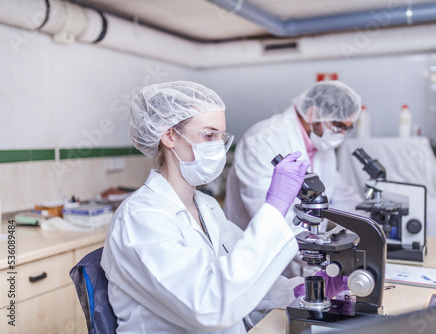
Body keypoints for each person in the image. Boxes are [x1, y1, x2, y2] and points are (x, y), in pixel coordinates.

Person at [101, 81, 310, 333]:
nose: (218, 148)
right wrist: (275, 206)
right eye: (208, 135)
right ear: (169, 136)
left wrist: (301, 290)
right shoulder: (140, 218)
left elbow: (239, 274)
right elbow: (208, 305)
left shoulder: (206, 205)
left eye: (221, 137)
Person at [224, 80, 364, 278]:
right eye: (339, 125)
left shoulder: (322, 145)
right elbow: (269, 215)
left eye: (347, 129)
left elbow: (339, 194)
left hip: (306, 258)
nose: (341, 134)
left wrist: (371, 223)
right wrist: (322, 253)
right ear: (313, 113)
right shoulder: (263, 139)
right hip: (259, 264)